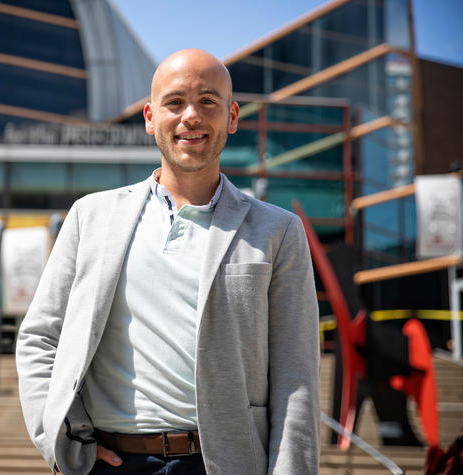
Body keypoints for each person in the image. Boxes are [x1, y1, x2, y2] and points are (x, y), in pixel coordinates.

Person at [16, 48, 320, 475]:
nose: (191, 116)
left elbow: (297, 377)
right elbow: (39, 339)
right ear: (149, 117)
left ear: (232, 117)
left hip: (225, 464)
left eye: (208, 102)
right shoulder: (90, 217)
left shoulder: (278, 231)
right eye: (175, 102)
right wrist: (59, 442)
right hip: (110, 463)